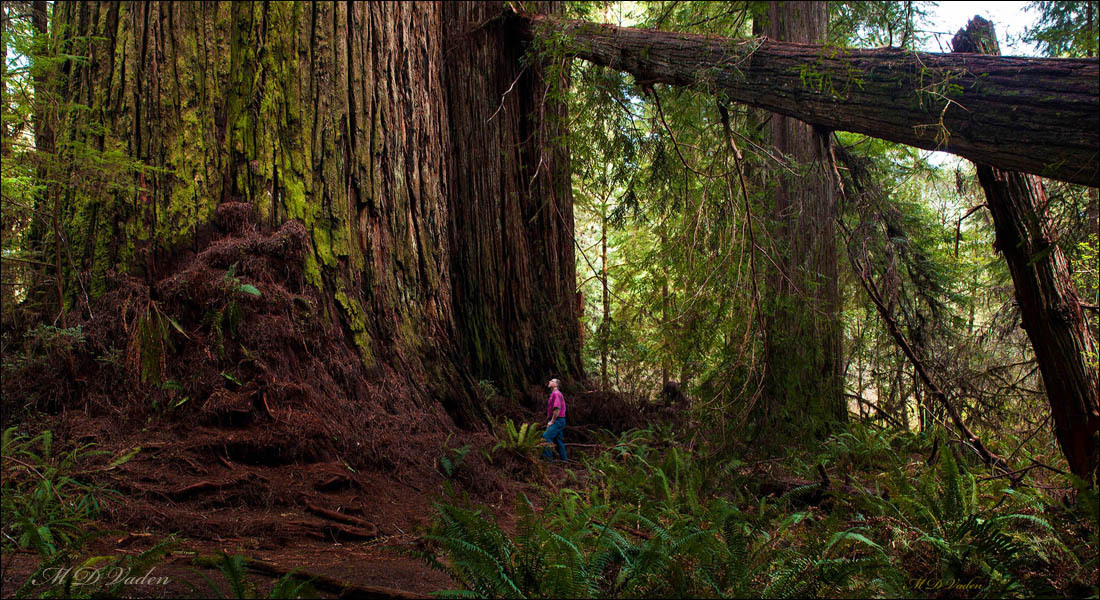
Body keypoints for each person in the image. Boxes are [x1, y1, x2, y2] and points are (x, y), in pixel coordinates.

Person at [542, 378, 567, 463]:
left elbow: (557, 409)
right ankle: (564, 461)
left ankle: (547, 461)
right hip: (559, 420)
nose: (549, 382)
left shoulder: (556, 394)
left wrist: (552, 421)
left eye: (552, 381)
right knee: (559, 441)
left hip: (557, 421)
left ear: (556, 384)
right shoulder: (555, 394)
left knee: (546, 437)